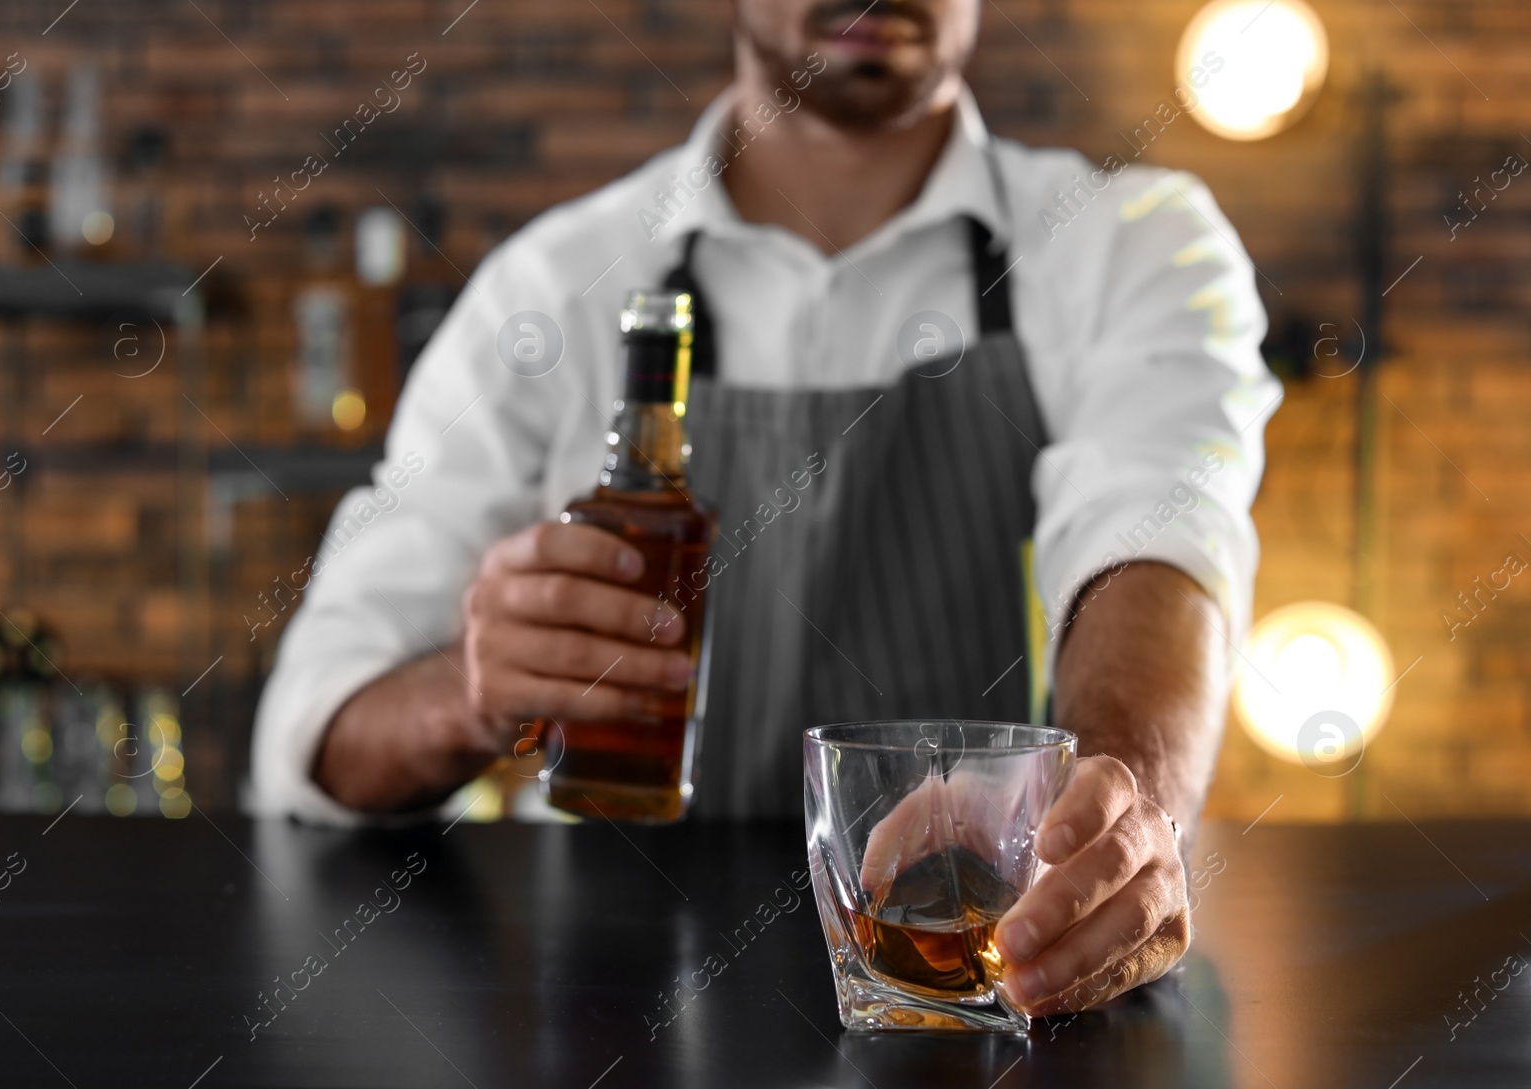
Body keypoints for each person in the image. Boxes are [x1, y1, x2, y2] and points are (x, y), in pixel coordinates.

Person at [252, 0, 1280, 1017]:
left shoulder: (1133, 244)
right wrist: (472, 692)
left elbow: (1155, 529)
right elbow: (312, 731)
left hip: (984, 975)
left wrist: (1116, 792)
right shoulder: (552, 288)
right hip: (618, 1007)